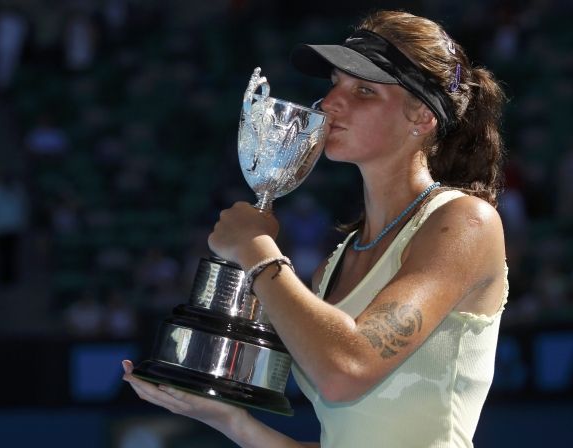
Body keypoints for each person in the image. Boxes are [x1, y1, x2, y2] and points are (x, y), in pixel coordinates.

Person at [123, 9, 507, 448]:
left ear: (420, 117)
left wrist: (255, 248)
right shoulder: (334, 264)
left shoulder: (465, 221)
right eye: (334, 85)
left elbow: (347, 371)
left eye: (363, 91)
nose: (329, 104)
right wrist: (230, 420)